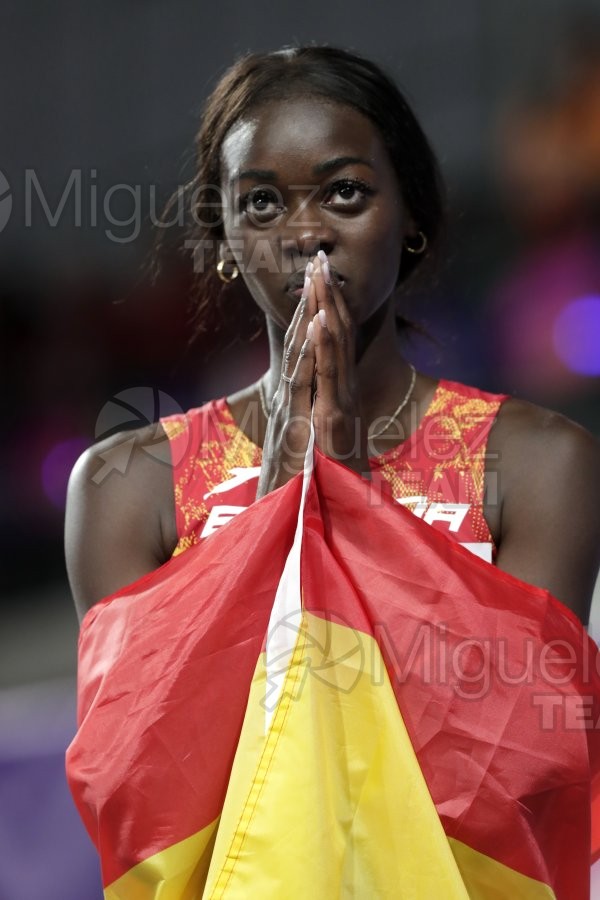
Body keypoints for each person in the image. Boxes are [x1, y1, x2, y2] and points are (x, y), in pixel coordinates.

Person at [65, 46, 600, 898]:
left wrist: (348, 509)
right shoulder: (128, 484)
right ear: (224, 239)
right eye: (263, 203)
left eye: (345, 191)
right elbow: (141, 794)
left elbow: (526, 767)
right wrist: (284, 497)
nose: (307, 231)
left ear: (413, 215)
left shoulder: (538, 462)